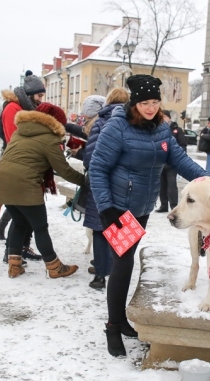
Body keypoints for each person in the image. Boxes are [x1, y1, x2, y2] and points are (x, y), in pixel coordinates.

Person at [89, 74, 208, 357]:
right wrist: (107, 209)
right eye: (145, 102)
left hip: (141, 207)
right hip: (117, 208)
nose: (151, 107)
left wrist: (209, 180)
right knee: (122, 263)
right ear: (134, 102)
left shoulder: (161, 130)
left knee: (126, 262)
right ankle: (113, 326)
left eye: (155, 102)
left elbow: (179, 160)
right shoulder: (117, 127)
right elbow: (97, 168)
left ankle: (120, 320)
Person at [0, 102, 85, 278]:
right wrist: (85, 181)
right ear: (55, 123)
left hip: (3, 183)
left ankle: (14, 265)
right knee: (40, 227)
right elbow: (64, 170)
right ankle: (54, 267)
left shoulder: (21, 131)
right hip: (25, 184)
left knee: (19, 222)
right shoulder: (49, 139)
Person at [0, 71, 45, 264]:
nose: (40, 99)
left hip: (24, 159)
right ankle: (10, 247)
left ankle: (18, 246)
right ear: (29, 94)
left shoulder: (25, 107)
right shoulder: (13, 108)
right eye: (39, 95)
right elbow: (15, 139)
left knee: (23, 206)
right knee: (20, 205)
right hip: (16, 159)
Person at [83, 88, 129, 289]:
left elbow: (90, 158)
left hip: (101, 182)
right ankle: (117, 272)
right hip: (125, 183)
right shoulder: (133, 123)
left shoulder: (100, 122)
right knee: (120, 227)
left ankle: (100, 275)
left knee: (100, 228)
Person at [156, 110, 188, 212]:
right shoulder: (158, 129)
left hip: (172, 164)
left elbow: (182, 145)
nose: (163, 118)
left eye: (164, 116)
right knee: (162, 186)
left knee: (171, 186)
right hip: (161, 164)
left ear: (169, 118)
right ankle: (163, 205)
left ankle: (174, 206)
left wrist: (178, 158)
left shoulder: (177, 130)